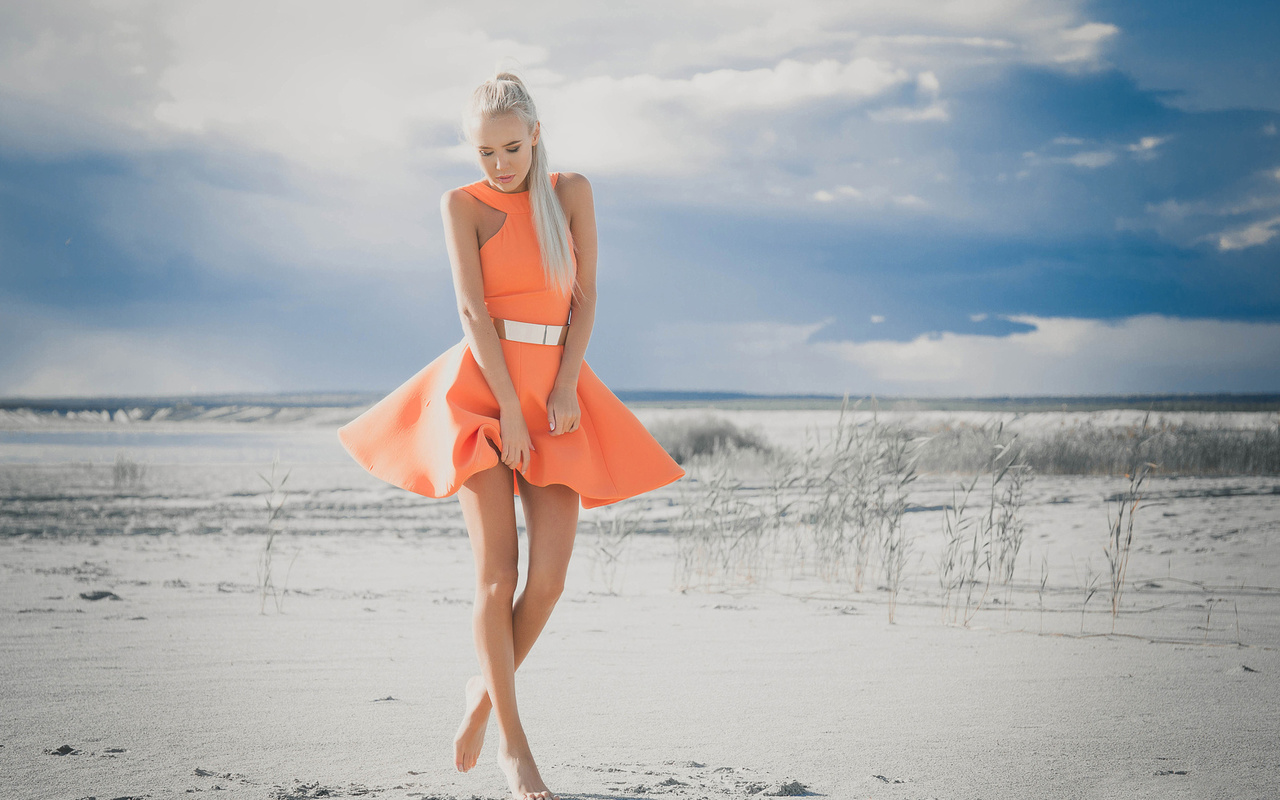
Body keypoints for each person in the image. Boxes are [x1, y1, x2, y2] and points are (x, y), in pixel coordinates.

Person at [337, 70, 686, 800]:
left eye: (508, 148)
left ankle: (483, 689)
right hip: (482, 396)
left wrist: (561, 389)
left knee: (549, 582)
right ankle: (514, 749)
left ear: (534, 134)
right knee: (498, 578)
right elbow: (471, 311)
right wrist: (511, 412)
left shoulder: (572, 194)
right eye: (483, 152)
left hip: (556, 397)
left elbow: (585, 300)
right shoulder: (459, 206)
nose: (497, 165)